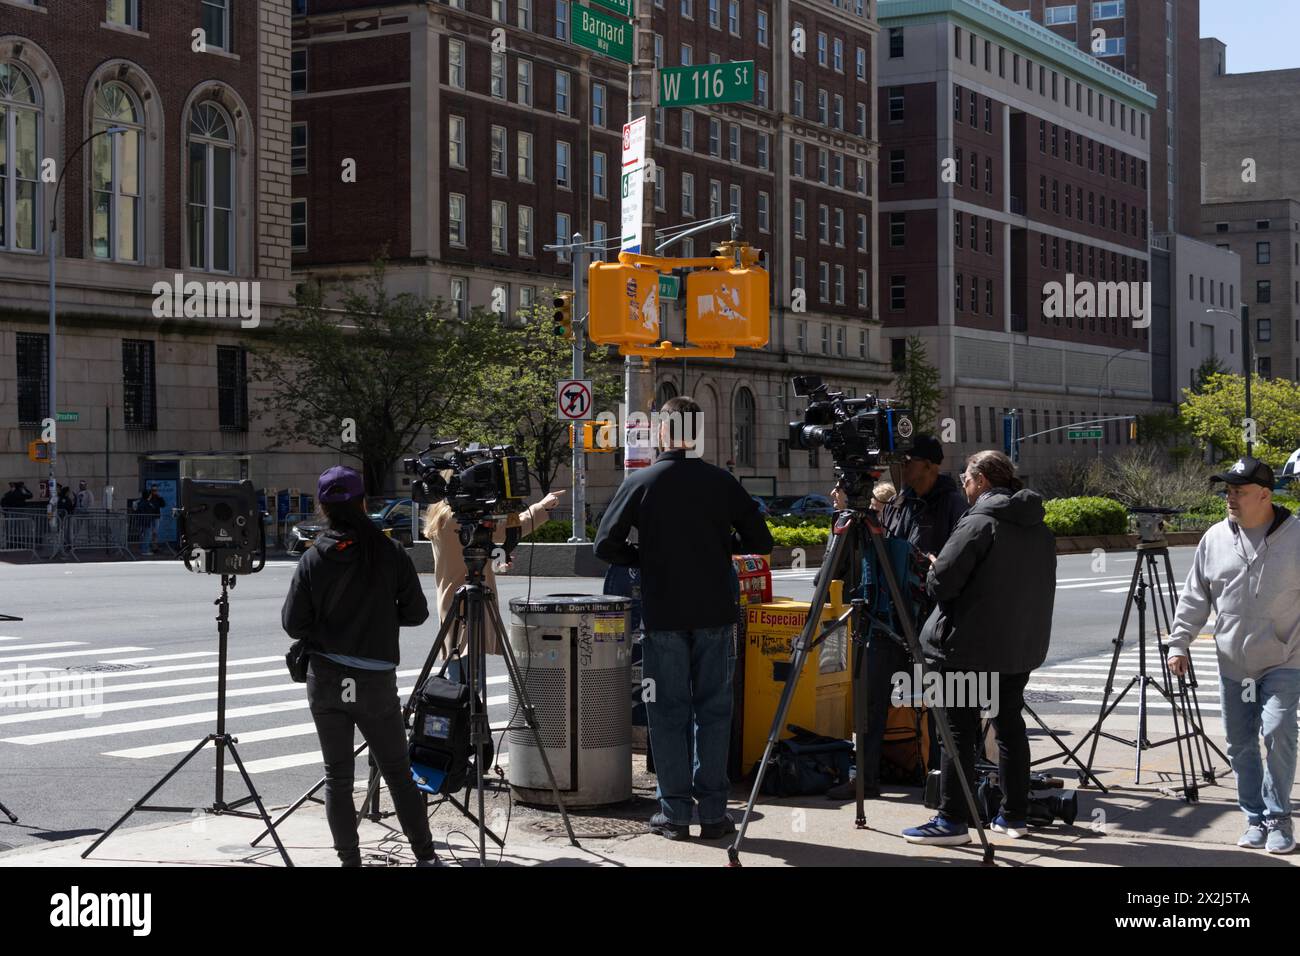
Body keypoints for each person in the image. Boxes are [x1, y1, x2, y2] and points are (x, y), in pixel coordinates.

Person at [595, 395, 773, 840]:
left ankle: (674, 813)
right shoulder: (721, 482)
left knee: (667, 712)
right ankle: (713, 813)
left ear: (661, 431)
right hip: (715, 612)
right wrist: (717, 546)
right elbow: (761, 540)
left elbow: (604, 545)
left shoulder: (644, 481)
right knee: (714, 711)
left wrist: (646, 555)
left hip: (664, 616)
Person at [282, 465, 440, 867]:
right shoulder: (389, 552)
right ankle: (425, 855)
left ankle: (349, 860)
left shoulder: (314, 557)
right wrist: (380, 618)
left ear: (323, 507)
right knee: (398, 772)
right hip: (374, 682)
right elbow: (418, 613)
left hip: (327, 678)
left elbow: (292, 624)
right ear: (363, 502)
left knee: (337, 775)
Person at [902, 450, 1056, 845]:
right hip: (1016, 648)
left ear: (983, 480)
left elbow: (943, 583)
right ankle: (1013, 817)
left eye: (967, 480)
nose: (965, 487)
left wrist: (934, 566)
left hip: (965, 649)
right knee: (1008, 726)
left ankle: (952, 820)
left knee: (956, 732)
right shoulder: (1038, 525)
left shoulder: (979, 521)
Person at [1168, 456, 1300, 854]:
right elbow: (1196, 595)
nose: (1230, 498)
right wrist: (1179, 642)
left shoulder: (1296, 536)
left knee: (1277, 731)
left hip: (1285, 659)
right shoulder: (1214, 538)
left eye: (1238, 491)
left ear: (1264, 494)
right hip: (1234, 665)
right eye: (1227, 490)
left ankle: (1279, 818)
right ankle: (1254, 817)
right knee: (1241, 743)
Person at [827, 435, 971, 798]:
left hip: (931, 618)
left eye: (909, 462)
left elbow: (959, 563)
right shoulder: (899, 503)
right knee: (872, 698)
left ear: (930, 465)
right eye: (900, 462)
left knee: (938, 704)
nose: (902, 468)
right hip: (888, 615)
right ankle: (866, 778)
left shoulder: (953, 505)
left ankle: (942, 784)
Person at [422, 486, 563, 679]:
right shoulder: (460, 517)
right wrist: (541, 506)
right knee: (467, 682)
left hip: (452, 600)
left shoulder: (440, 517)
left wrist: (492, 554)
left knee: (460, 669)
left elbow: (466, 551)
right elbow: (510, 529)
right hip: (469, 601)